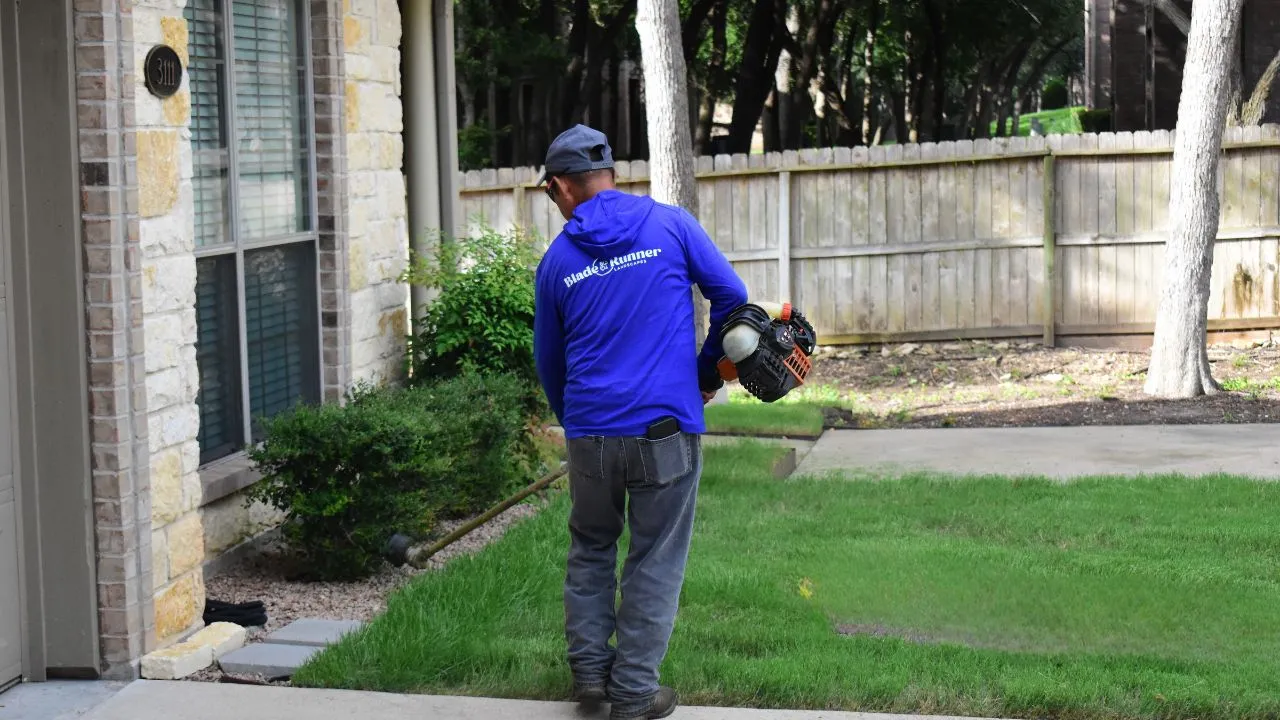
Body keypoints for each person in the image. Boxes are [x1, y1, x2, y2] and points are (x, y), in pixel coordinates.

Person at [533, 124, 748, 720]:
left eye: (552, 196)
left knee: (592, 548)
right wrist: (704, 376)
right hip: (665, 433)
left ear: (561, 188)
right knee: (655, 557)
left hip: (592, 435)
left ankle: (593, 682)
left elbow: (549, 362)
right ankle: (633, 694)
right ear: (608, 175)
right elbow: (733, 298)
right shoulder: (670, 225)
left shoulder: (557, 262)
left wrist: (575, 423)